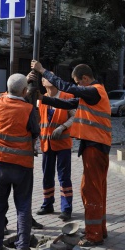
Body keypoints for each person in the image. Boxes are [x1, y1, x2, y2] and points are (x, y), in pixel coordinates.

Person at [31, 61, 112, 247]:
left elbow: (67, 89)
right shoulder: (91, 95)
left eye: (78, 83)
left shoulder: (94, 91)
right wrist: (43, 100)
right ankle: (99, 229)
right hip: (96, 146)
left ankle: (93, 235)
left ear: (85, 78)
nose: (76, 87)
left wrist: (42, 71)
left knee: (90, 190)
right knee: (97, 189)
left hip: (95, 146)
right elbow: (67, 103)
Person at [0, 73, 40, 250]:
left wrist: (20, 83)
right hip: (22, 165)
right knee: (23, 205)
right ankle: (23, 246)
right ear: (25, 91)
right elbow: (35, 132)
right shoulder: (28, 109)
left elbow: (8, 93)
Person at [36, 74, 76, 222]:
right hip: (46, 144)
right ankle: (47, 204)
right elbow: (38, 121)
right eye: (47, 78)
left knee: (64, 177)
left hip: (63, 144)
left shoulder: (67, 96)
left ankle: (66, 209)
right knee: (47, 176)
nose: (50, 79)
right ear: (43, 83)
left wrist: (63, 127)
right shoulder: (41, 100)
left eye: (52, 77)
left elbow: (75, 116)